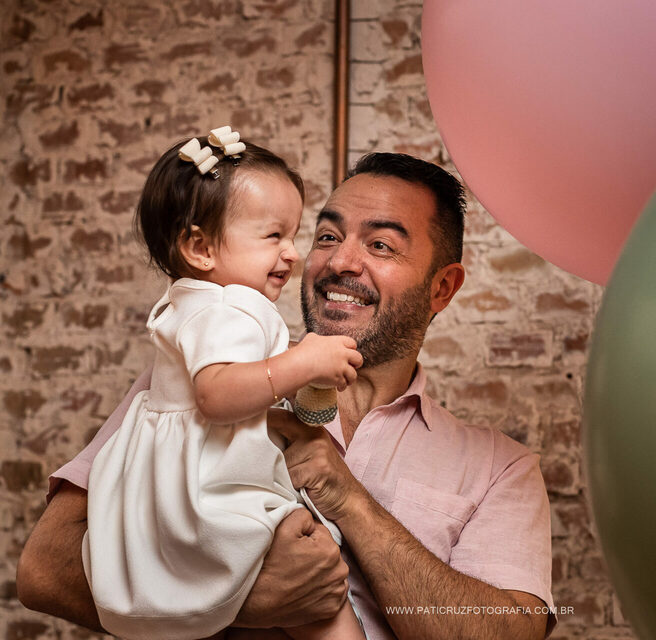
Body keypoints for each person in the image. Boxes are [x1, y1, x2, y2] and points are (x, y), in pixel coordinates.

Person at [18, 152, 555, 640]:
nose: (339, 261)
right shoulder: (203, 377)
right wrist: (240, 599)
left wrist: (348, 500)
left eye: (380, 244)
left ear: (443, 287)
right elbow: (43, 570)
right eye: (326, 236)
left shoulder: (499, 469)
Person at [77, 128, 366, 640]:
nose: (293, 253)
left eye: (294, 234)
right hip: (207, 488)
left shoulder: (192, 301)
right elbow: (217, 397)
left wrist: (290, 405)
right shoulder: (234, 304)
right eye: (273, 235)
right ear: (200, 246)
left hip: (164, 487)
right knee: (325, 598)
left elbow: (229, 403)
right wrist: (303, 360)